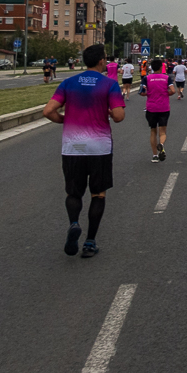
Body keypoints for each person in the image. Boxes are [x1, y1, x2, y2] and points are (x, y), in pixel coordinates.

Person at [42, 43, 125, 259]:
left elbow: (48, 111)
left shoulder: (68, 83)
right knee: (98, 193)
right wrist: (107, 111)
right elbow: (118, 116)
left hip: (73, 146)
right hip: (99, 147)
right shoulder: (109, 84)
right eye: (105, 58)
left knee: (73, 192)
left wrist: (64, 120)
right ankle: (90, 242)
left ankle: (74, 223)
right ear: (100, 61)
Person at [145, 58, 175, 162]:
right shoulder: (166, 78)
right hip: (164, 107)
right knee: (163, 132)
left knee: (153, 131)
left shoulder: (147, 78)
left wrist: (149, 94)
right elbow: (173, 91)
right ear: (161, 67)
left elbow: (141, 92)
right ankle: (161, 145)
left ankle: (154, 156)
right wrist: (166, 94)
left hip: (151, 108)